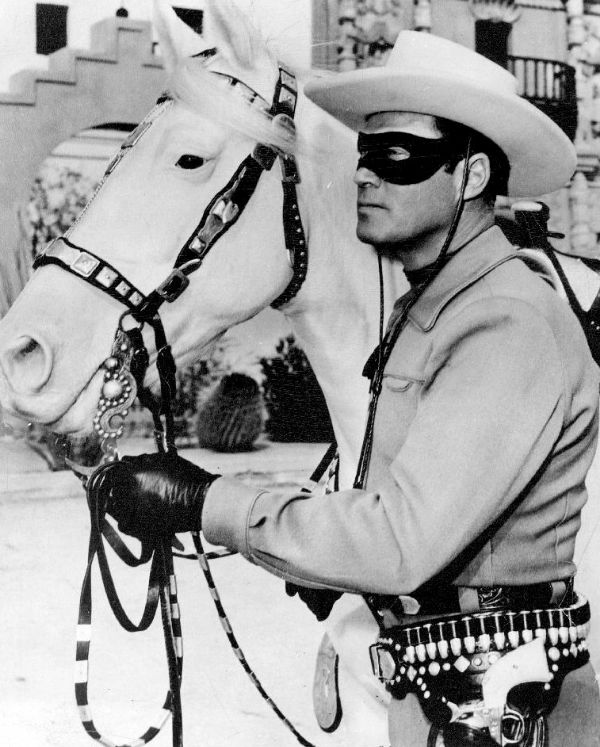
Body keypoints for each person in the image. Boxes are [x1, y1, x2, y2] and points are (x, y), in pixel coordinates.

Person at [101, 31, 600, 746]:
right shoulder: (432, 309)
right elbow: (411, 513)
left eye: (400, 157)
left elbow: (399, 541)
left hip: (508, 713)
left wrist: (205, 500)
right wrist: (320, 555)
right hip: (445, 702)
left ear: (474, 174)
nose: (367, 175)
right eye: (367, 155)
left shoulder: (505, 321)